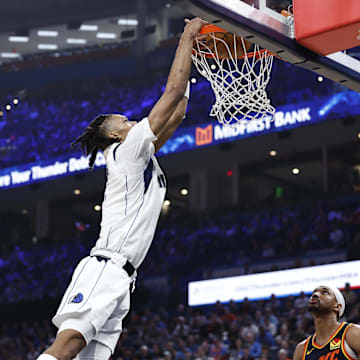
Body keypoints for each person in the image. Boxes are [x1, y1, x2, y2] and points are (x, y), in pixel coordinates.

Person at [36, 16, 207, 360]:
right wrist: (187, 36)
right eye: (125, 121)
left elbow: (178, 111)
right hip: (106, 267)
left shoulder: (139, 155)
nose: (132, 122)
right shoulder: (123, 151)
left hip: (122, 277)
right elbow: (170, 94)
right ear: (114, 135)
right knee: (68, 344)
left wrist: (195, 56)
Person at [293, 285, 360, 360]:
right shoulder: (301, 349)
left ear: (337, 306)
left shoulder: (353, 333)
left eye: (325, 292)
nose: (315, 295)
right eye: (314, 293)